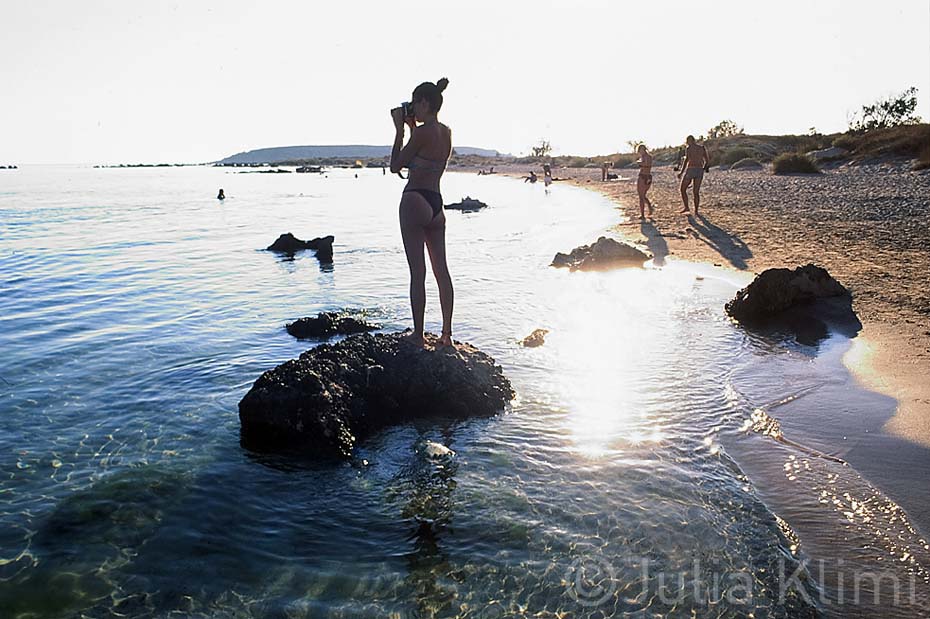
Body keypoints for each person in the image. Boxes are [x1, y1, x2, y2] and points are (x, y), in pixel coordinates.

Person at [390, 78, 455, 348]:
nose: (412, 107)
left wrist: (399, 131)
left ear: (425, 102)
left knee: (418, 272)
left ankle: (418, 335)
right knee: (442, 271)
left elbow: (396, 166)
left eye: (415, 102)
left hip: (415, 199)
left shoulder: (419, 133)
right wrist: (413, 127)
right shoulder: (446, 132)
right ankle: (446, 335)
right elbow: (428, 157)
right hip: (436, 204)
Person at [677, 135, 709, 215]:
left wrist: (681, 172)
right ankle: (696, 211)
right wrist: (704, 167)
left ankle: (686, 207)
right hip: (699, 170)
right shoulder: (702, 148)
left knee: (683, 189)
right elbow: (707, 160)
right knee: (696, 191)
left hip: (691, 169)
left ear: (689, 141)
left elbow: (686, 160)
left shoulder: (689, 148)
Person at [635, 145, 654, 218]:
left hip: (644, 176)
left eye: (640, 150)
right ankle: (648, 208)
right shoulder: (644, 157)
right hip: (645, 176)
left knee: (641, 196)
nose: (639, 152)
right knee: (642, 195)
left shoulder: (647, 157)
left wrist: (640, 163)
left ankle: (644, 213)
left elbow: (647, 164)